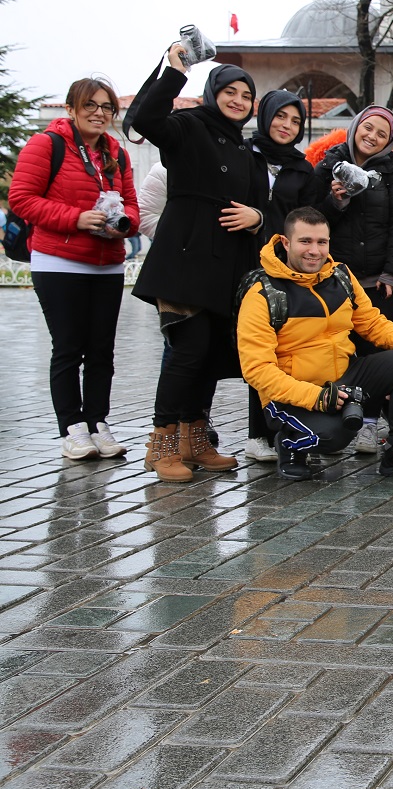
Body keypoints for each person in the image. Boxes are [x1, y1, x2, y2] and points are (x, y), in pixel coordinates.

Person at [127, 45, 268, 481]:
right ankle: (161, 443)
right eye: (230, 91)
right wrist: (174, 71)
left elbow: (263, 205)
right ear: (212, 92)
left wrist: (257, 216)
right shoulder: (188, 126)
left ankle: (194, 439)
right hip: (184, 260)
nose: (238, 101)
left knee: (207, 355)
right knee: (186, 352)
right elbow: (146, 119)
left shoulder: (248, 153)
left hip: (226, 266)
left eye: (246, 95)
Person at [238, 207, 393, 482]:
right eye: (305, 241)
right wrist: (316, 398)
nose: (315, 251)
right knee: (335, 437)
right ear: (286, 243)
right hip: (291, 394)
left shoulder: (341, 276)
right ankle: (289, 445)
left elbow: (373, 324)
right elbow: (257, 370)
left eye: (322, 242)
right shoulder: (262, 293)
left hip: (340, 378)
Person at [9, 77, 138, 460]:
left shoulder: (117, 153)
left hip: (107, 263)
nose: (99, 113)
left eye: (106, 107)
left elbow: (130, 202)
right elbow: (21, 198)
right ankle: (72, 428)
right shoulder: (46, 145)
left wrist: (123, 223)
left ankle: (98, 422)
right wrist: (75, 219)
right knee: (68, 348)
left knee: (102, 350)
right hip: (58, 261)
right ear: (70, 109)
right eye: (90, 106)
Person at [313, 105, 393, 449]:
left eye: (382, 134)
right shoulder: (328, 164)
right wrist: (335, 202)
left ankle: (369, 422)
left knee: (375, 354)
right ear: (355, 126)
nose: (372, 137)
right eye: (368, 128)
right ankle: (327, 419)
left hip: (376, 282)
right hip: (333, 279)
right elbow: (311, 220)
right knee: (332, 351)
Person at [240, 91, 317, 463]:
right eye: (280, 117)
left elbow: (306, 218)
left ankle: (284, 426)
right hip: (241, 265)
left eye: (295, 121)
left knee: (283, 350)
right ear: (265, 116)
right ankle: (256, 433)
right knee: (252, 350)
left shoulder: (302, 168)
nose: (287, 126)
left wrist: (261, 221)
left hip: (285, 272)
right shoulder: (243, 155)